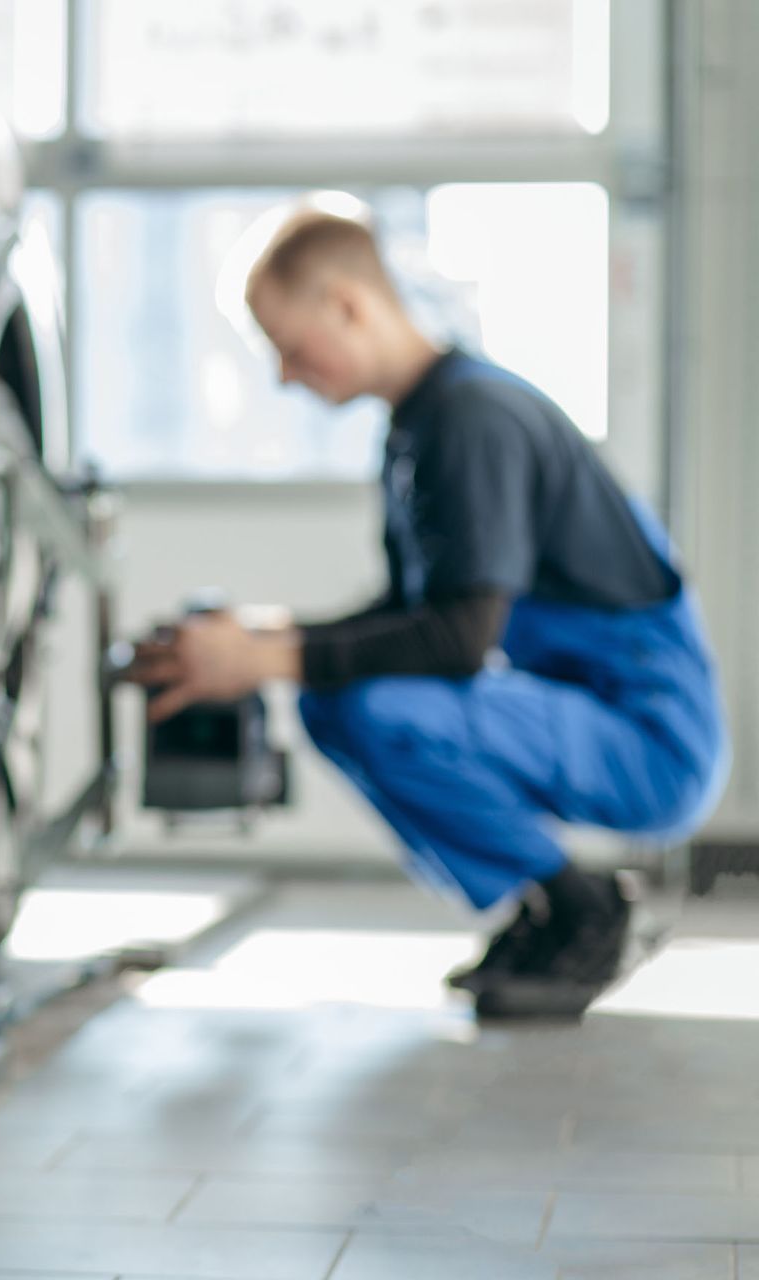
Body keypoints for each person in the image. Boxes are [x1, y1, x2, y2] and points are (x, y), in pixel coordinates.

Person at [125, 208, 728, 1018]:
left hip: (651, 742)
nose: (284, 375)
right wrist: (264, 637)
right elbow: (413, 612)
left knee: (369, 704)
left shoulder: (471, 419)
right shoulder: (422, 424)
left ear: (348, 305)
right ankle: (540, 910)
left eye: (289, 347)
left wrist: (265, 659)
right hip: (586, 714)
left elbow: (457, 639)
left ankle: (583, 910)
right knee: (335, 696)